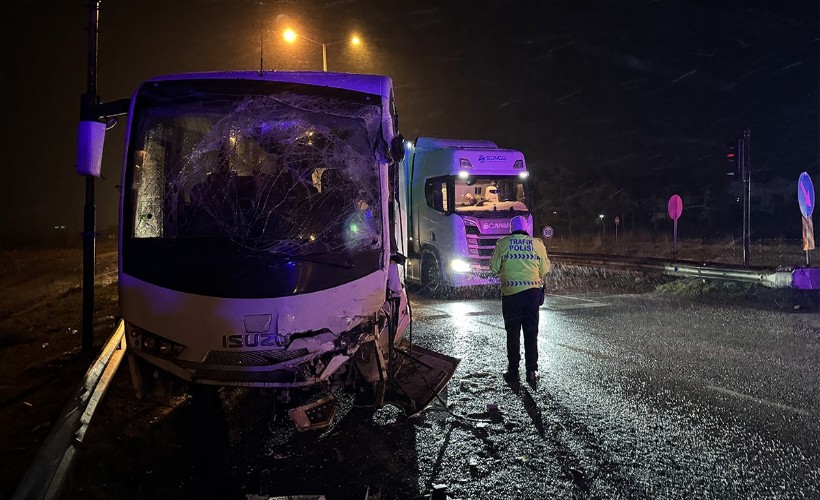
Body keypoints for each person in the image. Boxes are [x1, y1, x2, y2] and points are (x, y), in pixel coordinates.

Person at [489, 215, 551, 388]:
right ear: (526, 229)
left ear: (511, 229)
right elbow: (545, 269)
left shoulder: (503, 244)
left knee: (513, 333)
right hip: (532, 295)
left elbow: (493, 268)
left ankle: (513, 371)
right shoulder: (537, 244)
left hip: (511, 296)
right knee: (531, 333)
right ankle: (531, 371)